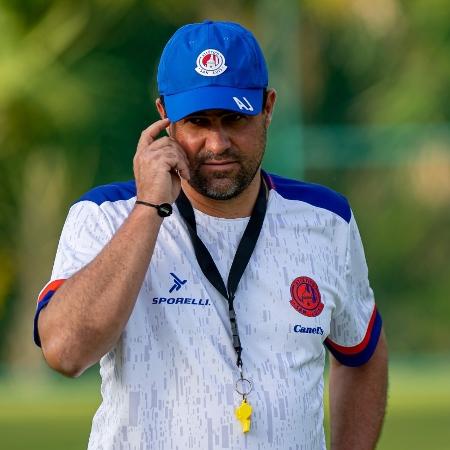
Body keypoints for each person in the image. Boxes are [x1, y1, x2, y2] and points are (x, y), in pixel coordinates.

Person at [34, 20, 388, 450]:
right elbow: (65, 352)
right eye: (198, 122)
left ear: (269, 107)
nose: (217, 143)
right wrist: (149, 208)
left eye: (235, 118)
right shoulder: (105, 216)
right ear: (164, 116)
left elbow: (362, 353)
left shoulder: (326, 219)